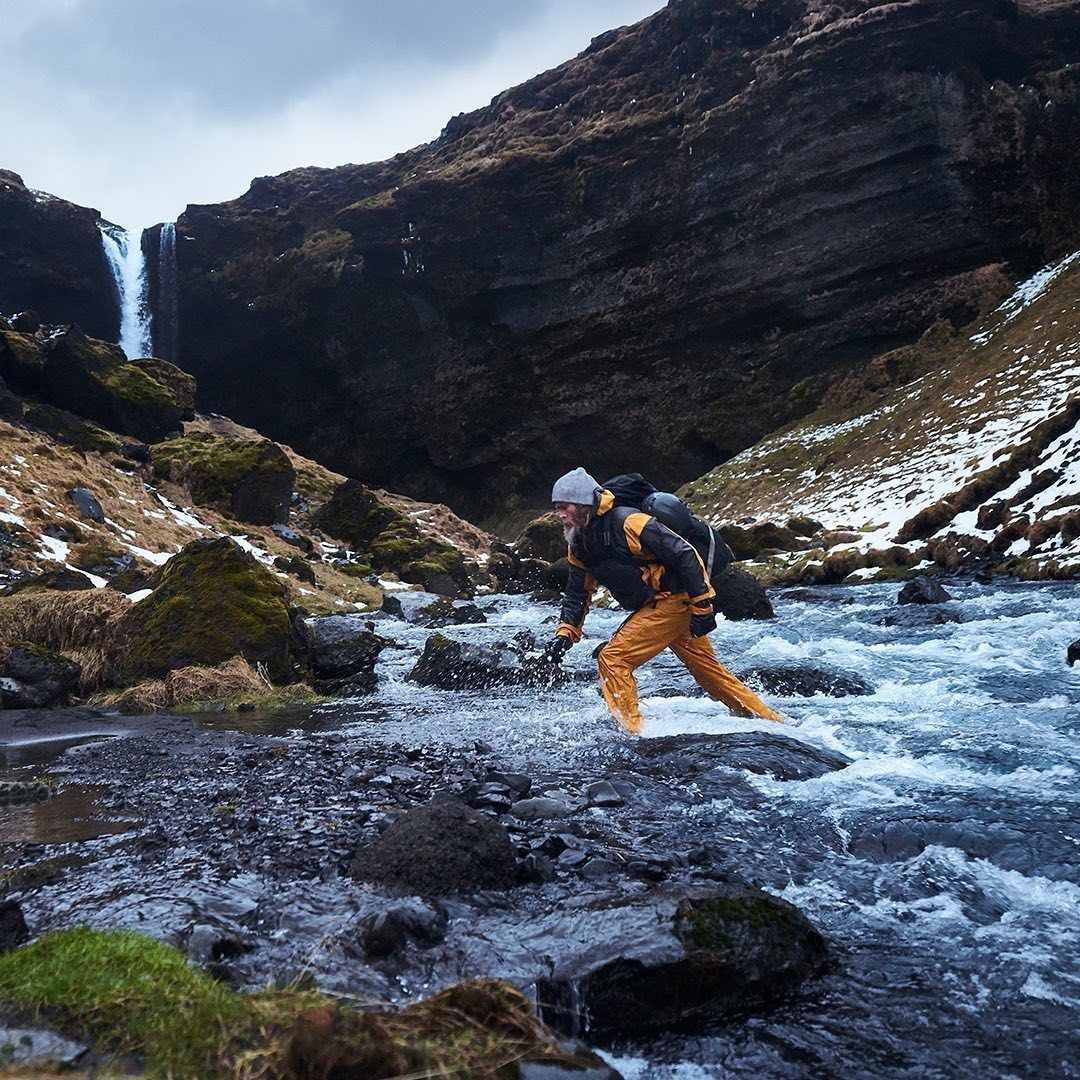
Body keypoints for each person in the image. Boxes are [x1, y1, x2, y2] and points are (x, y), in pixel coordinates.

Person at [545, 467, 783, 734]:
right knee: (709, 672)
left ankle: (633, 733)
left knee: (613, 660)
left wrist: (702, 606)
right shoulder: (578, 544)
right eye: (557, 508)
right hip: (659, 606)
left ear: (582, 504)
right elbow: (577, 592)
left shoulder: (629, 522)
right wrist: (565, 633)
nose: (560, 515)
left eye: (564, 507)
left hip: (674, 602)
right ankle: (771, 723)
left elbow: (685, 554)